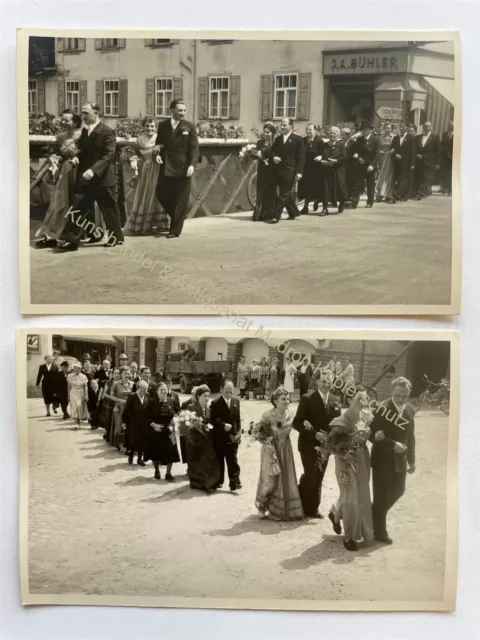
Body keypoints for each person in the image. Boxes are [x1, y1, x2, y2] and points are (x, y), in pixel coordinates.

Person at [59, 101, 124, 251]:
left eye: (86, 113)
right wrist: (74, 157)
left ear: (96, 113)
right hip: (86, 178)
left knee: (108, 209)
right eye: (82, 113)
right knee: (79, 208)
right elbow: (81, 150)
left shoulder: (107, 131)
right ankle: (71, 240)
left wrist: (93, 170)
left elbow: (108, 155)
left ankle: (116, 237)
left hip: (102, 178)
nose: (83, 116)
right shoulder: (85, 132)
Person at [369, 377, 416, 544]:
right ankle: (380, 533)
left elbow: (410, 437)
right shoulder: (382, 408)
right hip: (382, 459)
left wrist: (412, 460)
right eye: (398, 395)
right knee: (382, 497)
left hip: (400, 459)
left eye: (404, 396)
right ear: (392, 392)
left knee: (399, 490)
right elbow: (372, 435)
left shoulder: (410, 410)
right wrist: (392, 444)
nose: (401, 399)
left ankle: (372, 515)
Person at [327, 390, 374, 551]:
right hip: (345, 462)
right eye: (358, 400)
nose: (361, 404)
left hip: (362, 459)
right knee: (350, 498)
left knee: (361, 495)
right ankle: (348, 537)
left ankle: (336, 513)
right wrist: (343, 454)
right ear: (350, 400)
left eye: (364, 400)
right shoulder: (341, 421)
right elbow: (328, 446)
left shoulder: (366, 415)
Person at [292, 369, 341, 518]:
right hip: (307, 444)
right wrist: (314, 434)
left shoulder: (335, 400)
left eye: (329, 381)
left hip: (325, 447)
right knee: (312, 475)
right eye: (324, 381)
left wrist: (333, 438)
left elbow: (337, 424)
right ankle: (305, 506)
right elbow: (297, 422)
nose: (326, 384)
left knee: (318, 476)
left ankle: (313, 509)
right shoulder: (307, 398)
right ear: (317, 381)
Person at [35, 110, 84, 248]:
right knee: (58, 202)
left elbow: (88, 153)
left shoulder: (83, 135)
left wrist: (79, 158)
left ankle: (72, 236)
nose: (62, 122)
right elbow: (54, 152)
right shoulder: (61, 137)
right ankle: (51, 235)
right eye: (62, 120)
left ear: (74, 122)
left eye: (66, 120)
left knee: (74, 203)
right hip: (64, 172)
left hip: (77, 172)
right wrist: (53, 157)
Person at [255, 387, 304, 521]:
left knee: (284, 481)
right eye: (283, 399)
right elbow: (258, 434)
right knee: (269, 481)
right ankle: (262, 505)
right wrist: (267, 445)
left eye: (288, 399)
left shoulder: (291, 414)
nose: (287, 401)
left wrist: (306, 422)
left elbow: (299, 425)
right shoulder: (267, 415)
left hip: (286, 450)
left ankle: (277, 509)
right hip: (270, 450)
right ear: (275, 401)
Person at [155, 99, 199, 238]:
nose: (182, 113)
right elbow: (159, 144)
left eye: (184, 111)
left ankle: (175, 230)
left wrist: (192, 164)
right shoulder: (162, 126)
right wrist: (157, 153)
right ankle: (178, 217)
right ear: (172, 110)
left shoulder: (189, 127)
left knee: (181, 200)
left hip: (183, 168)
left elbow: (194, 148)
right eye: (180, 110)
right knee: (160, 193)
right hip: (166, 166)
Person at [124, 116, 169, 235]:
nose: (150, 128)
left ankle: (159, 224)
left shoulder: (159, 139)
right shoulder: (139, 140)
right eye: (147, 126)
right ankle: (144, 225)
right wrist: (133, 161)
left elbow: (165, 153)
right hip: (144, 169)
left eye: (152, 126)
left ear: (156, 127)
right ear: (143, 127)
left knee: (156, 194)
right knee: (143, 194)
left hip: (157, 169)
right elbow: (135, 153)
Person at [268, 118, 305, 224]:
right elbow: (273, 151)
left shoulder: (298, 139)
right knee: (286, 193)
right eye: (281, 125)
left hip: (290, 170)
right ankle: (294, 212)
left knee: (284, 193)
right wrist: (274, 157)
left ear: (291, 126)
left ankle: (276, 216)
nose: (282, 127)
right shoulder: (278, 139)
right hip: (278, 169)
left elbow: (301, 157)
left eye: (284, 125)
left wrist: (299, 172)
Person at [185, 385, 221, 493]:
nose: (207, 398)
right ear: (198, 396)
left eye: (208, 396)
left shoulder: (209, 409)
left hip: (207, 440)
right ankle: (198, 483)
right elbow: (187, 424)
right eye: (204, 396)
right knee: (197, 461)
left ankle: (208, 482)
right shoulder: (191, 408)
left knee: (208, 460)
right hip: (195, 440)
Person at [210, 380, 242, 491]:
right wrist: (222, 425)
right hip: (219, 437)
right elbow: (212, 421)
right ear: (222, 390)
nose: (229, 395)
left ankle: (234, 481)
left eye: (231, 392)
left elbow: (237, 419)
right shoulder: (215, 403)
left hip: (233, 436)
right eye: (226, 392)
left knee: (233, 460)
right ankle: (219, 480)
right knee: (220, 460)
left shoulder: (236, 401)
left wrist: (239, 432)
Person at [144, 382, 180, 480]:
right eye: (161, 389)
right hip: (156, 430)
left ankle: (168, 473)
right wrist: (154, 426)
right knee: (156, 451)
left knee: (171, 451)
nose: (164, 391)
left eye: (165, 389)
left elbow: (177, 414)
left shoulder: (171, 401)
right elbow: (146, 417)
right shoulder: (151, 402)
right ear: (157, 391)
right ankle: (157, 470)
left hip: (169, 430)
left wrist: (173, 424)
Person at [350, 121, 380, 209]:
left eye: (366, 129)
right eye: (363, 129)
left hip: (370, 165)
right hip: (360, 165)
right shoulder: (359, 139)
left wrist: (372, 165)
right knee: (358, 183)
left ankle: (370, 201)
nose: (364, 131)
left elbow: (378, 154)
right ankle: (355, 201)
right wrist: (357, 156)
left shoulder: (375, 140)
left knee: (370, 184)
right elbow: (355, 150)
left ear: (370, 130)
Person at [252, 122, 277, 222]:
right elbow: (255, 153)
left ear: (273, 133)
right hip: (262, 168)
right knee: (261, 189)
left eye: (268, 132)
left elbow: (275, 154)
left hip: (272, 168)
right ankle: (259, 213)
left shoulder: (275, 143)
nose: (266, 134)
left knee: (270, 191)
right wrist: (258, 156)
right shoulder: (260, 142)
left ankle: (269, 213)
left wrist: (268, 158)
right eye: (265, 132)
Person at [122, 379, 150, 466]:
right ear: (138, 388)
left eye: (145, 390)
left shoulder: (147, 395)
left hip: (144, 422)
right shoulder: (132, 396)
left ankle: (139, 459)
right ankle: (131, 455)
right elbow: (126, 410)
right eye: (142, 390)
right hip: (133, 421)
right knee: (133, 439)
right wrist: (124, 421)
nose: (144, 392)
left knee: (142, 439)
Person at [320, 126, 348, 215]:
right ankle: (325, 208)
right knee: (325, 188)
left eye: (334, 133)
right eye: (331, 133)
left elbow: (345, 157)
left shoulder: (341, 145)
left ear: (338, 135)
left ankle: (341, 204)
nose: (332, 135)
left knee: (340, 187)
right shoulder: (325, 145)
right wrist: (322, 161)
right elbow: (321, 155)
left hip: (338, 170)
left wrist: (336, 161)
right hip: (327, 170)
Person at [298, 123, 324, 215]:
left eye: (310, 129)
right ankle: (305, 207)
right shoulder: (303, 140)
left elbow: (323, 152)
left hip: (316, 167)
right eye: (307, 129)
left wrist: (320, 156)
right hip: (306, 167)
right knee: (306, 187)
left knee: (315, 186)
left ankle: (317, 200)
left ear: (315, 131)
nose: (308, 131)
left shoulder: (319, 141)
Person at [413, 121, 441, 200]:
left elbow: (438, 151)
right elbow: (415, 149)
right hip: (419, 161)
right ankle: (422, 191)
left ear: (431, 127)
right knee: (420, 177)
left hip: (429, 161)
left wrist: (438, 163)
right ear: (423, 127)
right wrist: (416, 155)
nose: (427, 128)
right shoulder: (417, 137)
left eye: (429, 126)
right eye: (425, 126)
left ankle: (421, 193)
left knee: (426, 177)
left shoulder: (435, 137)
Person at [391, 122, 416, 203]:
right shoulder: (396, 138)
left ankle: (395, 196)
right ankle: (404, 196)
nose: (401, 128)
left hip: (406, 162)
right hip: (396, 162)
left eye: (403, 127)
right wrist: (395, 154)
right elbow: (392, 149)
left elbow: (413, 151)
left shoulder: (411, 138)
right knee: (399, 178)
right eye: (400, 127)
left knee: (402, 178)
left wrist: (412, 164)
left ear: (407, 128)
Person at [110, 366, 133, 450]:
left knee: (128, 425)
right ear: (121, 375)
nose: (126, 375)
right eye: (125, 374)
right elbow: (111, 397)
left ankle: (126, 444)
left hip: (129, 408)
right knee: (119, 425)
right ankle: (118, 443)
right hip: (119, 407)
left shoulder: (132, 384)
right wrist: (120, 400)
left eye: (128, 373)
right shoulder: (116, 384)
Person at [375, 123, 396, 203]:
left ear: (392, 129)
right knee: (381, 176)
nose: (386, 130)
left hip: (390, 158)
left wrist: (392, 151)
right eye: (385, 128)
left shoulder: (394, 137)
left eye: (388, 128)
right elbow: (377, 147)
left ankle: (389, 195)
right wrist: (379, 152)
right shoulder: (380, 137)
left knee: (389, 176)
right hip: (382, 158)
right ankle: (380, 194)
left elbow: (396, 147)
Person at [99, 368, 120, 441]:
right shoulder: (109, 382)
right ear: (113, 374)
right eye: (115, 373)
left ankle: (115, 437)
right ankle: (108, 434)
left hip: (118, 403)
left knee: (116, 421)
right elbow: (104, 393)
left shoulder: (121, 382)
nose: (116, 375)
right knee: (109, 419)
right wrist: (111, 397)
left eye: (118, 373)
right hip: (109, 403)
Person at [67, 362, 89, 428]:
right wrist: (68, 396)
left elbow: (85, 386)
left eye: (79, 370)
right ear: (73, 369)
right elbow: (69, 387)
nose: (77, 371)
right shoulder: (69, 376)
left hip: (81, 392)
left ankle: (79, 422)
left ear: (81, 370)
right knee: (74, 407)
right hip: (73, 392)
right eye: (76, 370)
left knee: (80, 407)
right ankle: (76, 423)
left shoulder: (83, 376)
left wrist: (86, 395)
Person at [440, 120, 454, 196]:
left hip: (452, 157)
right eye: (449, 126)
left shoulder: (457, 134)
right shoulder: (445, 134)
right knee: (445, 173)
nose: (450, 127)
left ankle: (450, 189)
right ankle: (445, 188)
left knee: (451, 173)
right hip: (445, 157)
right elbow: (442, 144)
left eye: (451, 126)